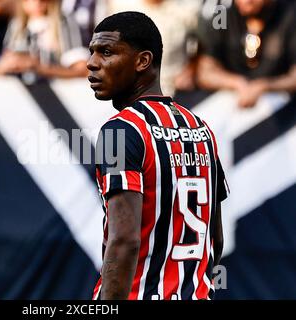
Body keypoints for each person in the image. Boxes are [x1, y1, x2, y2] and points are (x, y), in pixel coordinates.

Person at [88, 11, 229, 300]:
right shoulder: (201, 129)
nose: (92, 63)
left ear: (143, 61)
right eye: (92, 52)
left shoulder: (120, 132)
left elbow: (125, 240)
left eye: (106, 52)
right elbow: (216, 239)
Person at [197, 0, 296, 108]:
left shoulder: (290, 14)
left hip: (280, 103)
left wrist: (264, 86)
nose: (245, 1)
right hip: (228, 101)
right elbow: (205, 73)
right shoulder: (222, 13)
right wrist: (237, 83)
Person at [109, 0, 202, 96]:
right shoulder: (120, 5)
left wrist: (192, 67)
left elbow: (202, 42)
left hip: (177, 87)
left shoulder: (186, 8)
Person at [0, 0, 88, 81]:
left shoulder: (64, 22)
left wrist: (39, 68)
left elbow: (82, 71)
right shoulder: (16, 25)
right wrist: (6, 66)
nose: (37, 2)